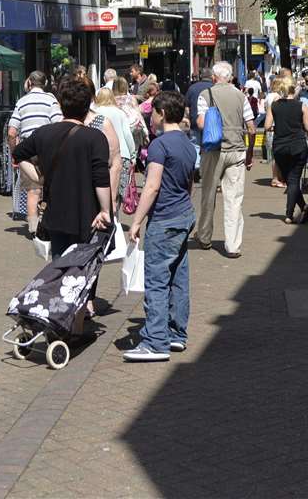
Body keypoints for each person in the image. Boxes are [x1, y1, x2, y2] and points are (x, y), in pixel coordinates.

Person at [125, 89, 196, 362]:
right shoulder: (188, 144)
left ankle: (155, 341)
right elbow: (189, 184)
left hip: (164, 218)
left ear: (162, 113)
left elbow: (152, 186)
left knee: (156, 280)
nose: (150, 118)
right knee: (179, 277)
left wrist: (136, 221)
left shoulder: (159, 145)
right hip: (183, 215)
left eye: (152, 112)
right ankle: (176, 333)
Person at [13, 71, 111, 259]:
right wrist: (106, 210)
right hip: (87, 215)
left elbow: (17, 154)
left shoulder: (43, 133)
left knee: (60, 272)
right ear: (87, 105)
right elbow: (101, 179)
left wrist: (38, 176)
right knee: (85, 275)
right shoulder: (96, 138)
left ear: (60, 105)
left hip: (55, 214)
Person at [193, 61, 254, 257]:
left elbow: (202, 124)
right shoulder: (240, 95)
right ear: (230, 77)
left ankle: (204, 236)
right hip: (237, 150)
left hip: (213, 151)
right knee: (234, 199)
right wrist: (250, 151)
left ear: (213, 77)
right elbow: (251, 127)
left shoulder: (206, 95)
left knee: (208, 195)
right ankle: (233, 245)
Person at [7, 72, 59, 235]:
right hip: (49, 150)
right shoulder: (51, 100)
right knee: (53, 188)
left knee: (33, 191)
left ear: (29, 82)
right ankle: (52, 225)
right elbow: (58, 124)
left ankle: (33, 229)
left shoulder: (22, 102)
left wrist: (14, 153)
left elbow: (12, 132)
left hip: (28, 152)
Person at [265, 76, 308, 224]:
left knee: (289, 180)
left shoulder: (274, 105)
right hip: (298, 146)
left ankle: (300, 209)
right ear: (294, 88)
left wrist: (277, 125)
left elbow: (266, 127)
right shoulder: (302, 105)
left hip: (280, 147)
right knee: (294, 180)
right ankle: (290, 214)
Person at [91, 87, 131, 210]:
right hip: (122, 155)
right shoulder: (120, 112)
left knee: (101, 188)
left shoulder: (94, 112)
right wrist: (133, 153)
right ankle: (115, 218)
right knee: (118, 191)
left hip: (101, 156)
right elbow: (127, 135)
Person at [184, 68, 214, 145]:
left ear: (201, 76)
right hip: (212, 124)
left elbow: (187, 108)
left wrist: (189, 119)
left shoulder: (192, 88)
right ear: (212, 76)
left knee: (196, 147)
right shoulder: (215, 88)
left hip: (195, 123)